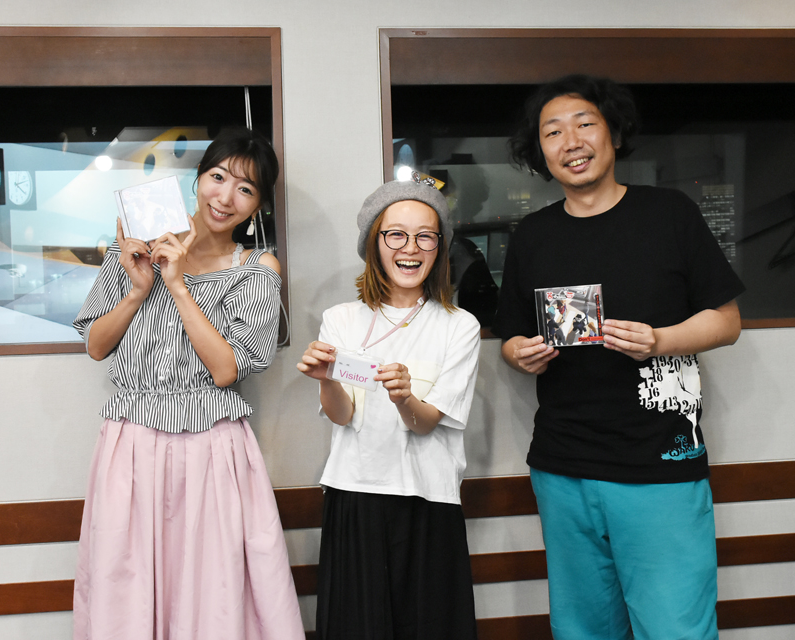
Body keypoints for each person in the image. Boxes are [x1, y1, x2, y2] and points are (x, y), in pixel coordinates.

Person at [492, 75, 745, 640]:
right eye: (552, 132)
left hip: (661, 463)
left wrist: (659, 341)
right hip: (562, 465)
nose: (571, 141)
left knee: (676, 629)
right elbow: (511, 335)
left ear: (614, 133)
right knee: (581, 630)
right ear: (540, 151)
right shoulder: (533, 234)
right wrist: (520, 354)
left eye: (585, 124)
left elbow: (727, 321)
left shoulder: (669, 213)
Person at [72, 128, 304, 640]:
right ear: (197, 179)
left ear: (258, 206)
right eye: (218, 177)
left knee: (212, 589)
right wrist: (138, 290)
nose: (225, 197)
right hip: (131, 445)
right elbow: (96, 345)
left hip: (211, 448)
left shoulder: (256, 269)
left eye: (245, 188)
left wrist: (176, 284)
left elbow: (227, 370)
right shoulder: (137, 247)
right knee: (126, 583)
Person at [297, 174, 481, 640]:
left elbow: (425, 425)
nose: (410, 248)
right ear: (374, 243)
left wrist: (404, 398)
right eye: (396, 234)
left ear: (439, 248)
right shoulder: (341, 319)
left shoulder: (459, 326)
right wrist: (326, 380)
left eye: (425, 236)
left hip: (428, 499)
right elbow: (343, 415)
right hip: (354, 494)